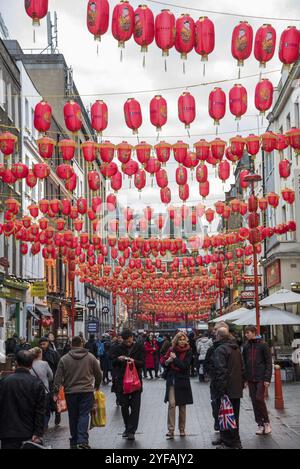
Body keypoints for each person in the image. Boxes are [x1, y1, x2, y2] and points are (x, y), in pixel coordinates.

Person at [53, 336, 102, 449]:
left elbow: (58, 377)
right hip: (87, 391)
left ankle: (74, 439)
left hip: (70, 392)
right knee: (84, 415)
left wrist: (55, 391)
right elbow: (98, 374)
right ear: (82, 344)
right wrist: (97, 385)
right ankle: (82, 440)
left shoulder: (64, 359)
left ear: (71, 345)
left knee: (73, 416)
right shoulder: (91, 357)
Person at [0, 350, 45, 450]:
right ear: (31, 365)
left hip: (7, 432)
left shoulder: (4, 381)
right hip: (29, 433)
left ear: (16, 363)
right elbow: (40, 410)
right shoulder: (36, 383)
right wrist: (38, 432)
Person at [212, 328, 244, 450]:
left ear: (219, 336)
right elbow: (242, 367)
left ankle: (229, 442)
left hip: (226, 389)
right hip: (236, 388)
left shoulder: (221, 350)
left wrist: (221, 389)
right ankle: (235, 441)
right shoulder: (235, 349)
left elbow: (221, 371)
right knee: (234, 416)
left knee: (225, 415)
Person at [112, 330, 144, 441]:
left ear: (132, 337)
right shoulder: (117, 348)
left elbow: (142, 363)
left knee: (135, 408)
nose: (127, 343)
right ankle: (127, 427)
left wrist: (134, 361)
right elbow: (112, 362)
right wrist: (118, 359)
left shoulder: (139, 347)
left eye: (129, 340)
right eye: (125, 341)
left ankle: (131, 431)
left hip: (135, 381)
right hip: (122, 381)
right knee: (124, 406)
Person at [162, 332, 193, 439]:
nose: (182, 341)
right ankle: (171, 430)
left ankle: (182, 429)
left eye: (184, 339)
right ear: (176, 340)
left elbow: (185, 366)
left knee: (182, 406)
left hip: (183, 380)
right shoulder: (171, 350)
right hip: (172, 380)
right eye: (180, 339)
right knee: (172, 404)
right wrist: (168, 361)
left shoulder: (188, 351)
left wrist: (175, 359)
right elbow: (163, 362)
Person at [243, 325, 272, 436]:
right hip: (250, 378)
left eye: (248, 333)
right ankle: (260, 424)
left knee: (259, 398)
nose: (246, 335)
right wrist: (245, 379)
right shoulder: (246, 346)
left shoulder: (263, 345)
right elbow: (245, 363)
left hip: (261, 377)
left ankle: (267, 423)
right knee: (254, 401)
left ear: (254, 332)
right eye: (246, 333)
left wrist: (267, 378)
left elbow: (269, 362)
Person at [204, 322, 230, 433]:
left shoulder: (230, 346)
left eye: (216, 329)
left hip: (227, 381)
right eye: (214, 330)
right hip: (215, 381)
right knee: (215, 403)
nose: (214, 331)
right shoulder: (212, 348)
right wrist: (212, 371)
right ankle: (218, 423)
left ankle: (226, 429)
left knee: (226, 406)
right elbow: (206, 364)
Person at [30, 347, 53, 430]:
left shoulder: (29, 364)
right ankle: (44, 425)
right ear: (40, 354)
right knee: (45, 410)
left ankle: (35, 426)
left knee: (34, 409)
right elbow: (51, 376)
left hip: (31, 391)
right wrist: (45, 380)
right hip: (44, 390)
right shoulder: (45, 364)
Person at [39, 336, 61, 426]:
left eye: (44, 344)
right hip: (42, 380)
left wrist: (58, 379)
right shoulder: (39, 353)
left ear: (48, 343)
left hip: (52, 380)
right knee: (45, 401)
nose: (42, 346)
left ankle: (57, 413)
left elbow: (58, 366)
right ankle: (45, 419)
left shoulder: (53, 353)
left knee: (53, 399)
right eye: (41, 344)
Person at [110, 334, 124, 406]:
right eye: (119, 338)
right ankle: (118, 398)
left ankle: (121, 398)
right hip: (116, 369)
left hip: (123, 369)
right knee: (115, 384)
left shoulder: (126, 347)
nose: (120, 339)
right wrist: (117, 358)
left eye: (121, 338)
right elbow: (111, 357)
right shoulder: (113, 346)